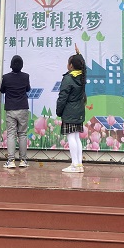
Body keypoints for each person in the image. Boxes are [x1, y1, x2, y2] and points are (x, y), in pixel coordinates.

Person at [56, 44, 86, 173]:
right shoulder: (82, 75)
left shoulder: (68, 78)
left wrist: (59, 111)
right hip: (79, 110)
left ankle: (74, 165)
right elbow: (84, 66)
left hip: (69, 111)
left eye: (68, 63)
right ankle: (79, 164)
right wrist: (79, 55)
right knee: (76, 137)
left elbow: (62, 97)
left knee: (71, 137)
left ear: (71, 66)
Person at [0, 55, 31, 168]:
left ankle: (11, 161)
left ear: (11, 65)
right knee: (22, 134)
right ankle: (23, 160)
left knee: (11, 134)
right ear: (22, 65)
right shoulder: (26, 76)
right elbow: (28, 89)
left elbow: (2, 90)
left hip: (10, 108)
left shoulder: (6, 77)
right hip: (22, 107)